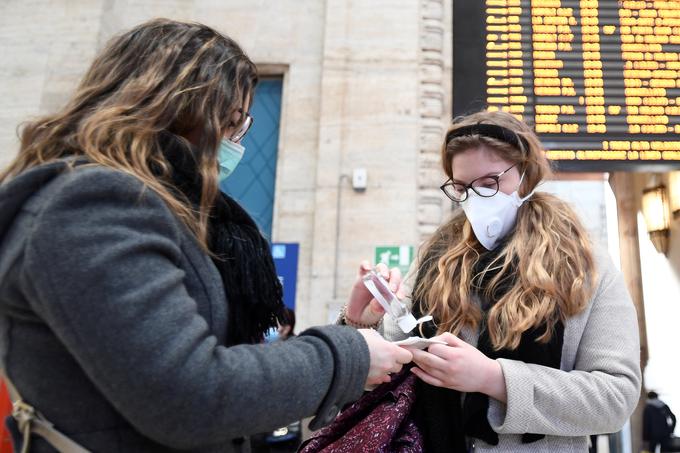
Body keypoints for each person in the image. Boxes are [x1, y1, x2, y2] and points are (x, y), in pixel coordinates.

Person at [0, 19, 412, 452]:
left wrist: (350, 327)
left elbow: (223, 366)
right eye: (230, 122)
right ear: (178, 108)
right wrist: (350, 354)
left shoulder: (149, 204)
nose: (236, 142)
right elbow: (190, 394)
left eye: (244, 125)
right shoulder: (93, 204)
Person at [342, 110, 642, 451]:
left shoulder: (586, 266)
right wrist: (360, 325)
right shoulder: (434, 261)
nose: (475, 200)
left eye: (489, 184)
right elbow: (382, 375)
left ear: (526, 177)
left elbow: (616, 398)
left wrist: (494, 379)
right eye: (461, 188)